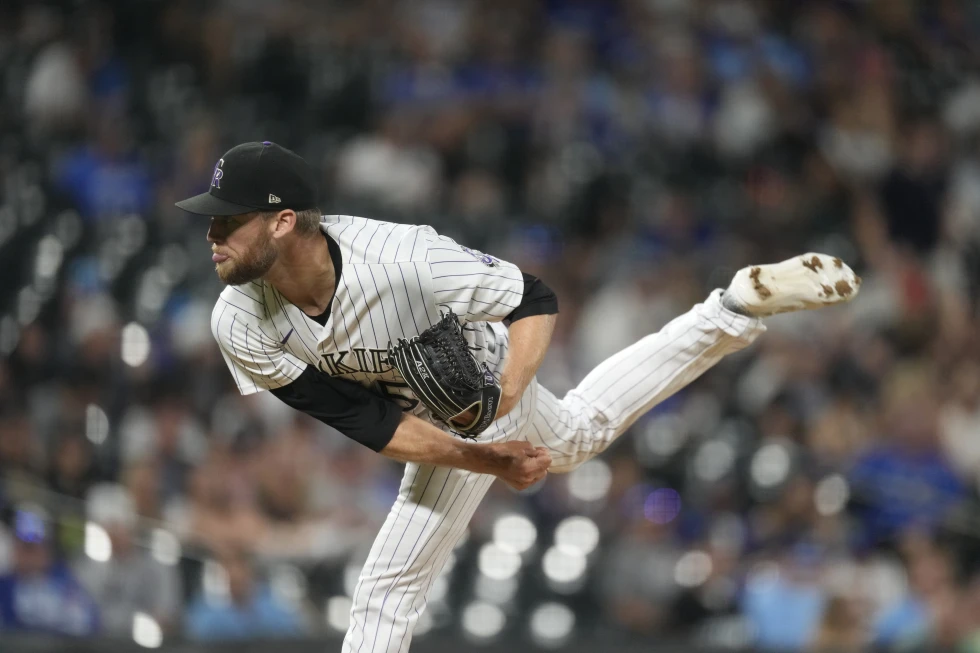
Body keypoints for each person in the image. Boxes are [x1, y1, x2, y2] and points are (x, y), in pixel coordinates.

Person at [175, 141, 861, 652]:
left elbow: (533, 297)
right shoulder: (236, 319)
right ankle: (733, 308)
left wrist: (506, 397)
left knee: (387, 588)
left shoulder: (403, 258)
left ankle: (729, 313)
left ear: (283, 221)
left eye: (225, 222)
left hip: (478, 384)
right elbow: (362, 419)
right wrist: (492, 460)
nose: (211, 236)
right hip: (426, 414)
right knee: (582, 433)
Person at [0, 507, 99, 636]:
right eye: (26, 548)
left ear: (48, 549)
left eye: (37, 548)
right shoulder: (5, 586)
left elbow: (90, 624)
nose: (31, 556)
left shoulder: (66, 583)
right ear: (14, 548)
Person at [184, 546, 306, 640]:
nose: (238, 585)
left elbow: (291, 633)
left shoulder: (274, 608)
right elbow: (197, 632)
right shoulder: (209, 608)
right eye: (233, 581)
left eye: (241, 580)